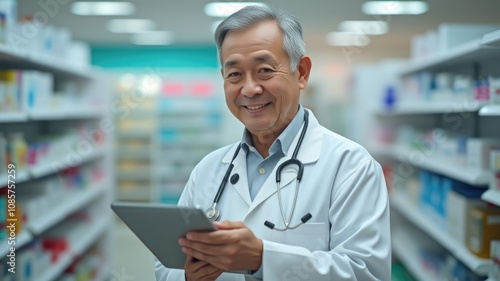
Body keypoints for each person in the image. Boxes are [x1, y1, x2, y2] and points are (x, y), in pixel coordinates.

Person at [155, 5, 391, 281]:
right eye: (234, 75)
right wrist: (187, 276)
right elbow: (166, 266)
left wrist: (263, 260)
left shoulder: (350, 166)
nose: (249, 89)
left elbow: (367, 273)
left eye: (264, 70)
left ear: (301, 72)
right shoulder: (208, 169)